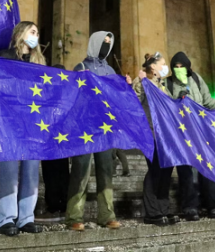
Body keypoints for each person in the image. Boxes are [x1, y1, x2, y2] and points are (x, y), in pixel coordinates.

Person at [65, 31, 128, 231]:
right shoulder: (81, 67)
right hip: (85, 127)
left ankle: (107, 215)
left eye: (109, 43)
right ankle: (74, 215)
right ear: (94, 43)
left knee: (105, 171)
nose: (106, 46)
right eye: (103, 42)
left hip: (105, 129)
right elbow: (73, 97)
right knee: (81, 171)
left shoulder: (110, 70)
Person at [162, 51, 215, 220]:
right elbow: (164, 107)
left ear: (188, 67)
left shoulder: (196, 80)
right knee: (186, 171)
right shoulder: (168, 84)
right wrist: (176, 102)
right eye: (176, 67)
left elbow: (208, 101)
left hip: (201, 132)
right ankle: (189, 207)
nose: (179, 69)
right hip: (182, 134)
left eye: (182, 66)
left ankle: (213, 207)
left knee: (208, 168)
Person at [0, 21, 45, 236]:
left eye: (37, 33)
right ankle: (6, 218)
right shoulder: (4, 57)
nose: (36, 35)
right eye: (32, 31)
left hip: (33, 125)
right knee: (9, 171)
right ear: (21, 33)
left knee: (31, 172)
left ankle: (26, 218)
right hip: (9, 123)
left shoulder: (40, 63)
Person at [133, 52, 179, 226]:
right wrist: (140, 83)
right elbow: (134, 102)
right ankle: (152, 212)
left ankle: (163, 208)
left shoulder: (162, 86)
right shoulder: (143, 82)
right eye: (163, 63)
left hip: (164, 134)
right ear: (153, 66)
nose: (165, 67)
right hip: (150, 132)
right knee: (155, 169)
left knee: (166, 169)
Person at [35, 64, 71, 223]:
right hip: (50, 138)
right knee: (52, 171)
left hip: (58, 138)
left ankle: (59, 203)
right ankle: (56, 203)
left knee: (59, 171)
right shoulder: (48, 91)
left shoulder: (64, 92)